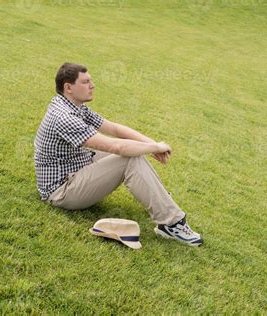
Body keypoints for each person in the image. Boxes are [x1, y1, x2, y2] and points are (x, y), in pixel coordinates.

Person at [34, 62, 203, 247]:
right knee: (129, 159)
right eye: (85, 82)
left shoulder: (74, 106)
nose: (92, 85)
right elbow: (116, 147)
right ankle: (172, 224)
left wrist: (150, 143)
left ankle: (158, 198)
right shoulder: (64, 117)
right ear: (68, 87)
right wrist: (154, 148)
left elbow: (113, 128)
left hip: (77, 164)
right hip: (62, 191)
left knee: (132, 153)